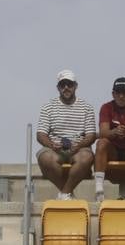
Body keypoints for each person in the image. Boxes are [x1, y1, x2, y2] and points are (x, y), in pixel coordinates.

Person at [36, 68, 98, 200]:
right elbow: (41, 134)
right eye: (62, 85)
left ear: (75, 86)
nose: (66, 88)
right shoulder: (48, 106)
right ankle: (67, 193)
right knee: (45, 158)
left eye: (69, 84)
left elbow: (91, 135)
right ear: (58, 87)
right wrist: (52, 145)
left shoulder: (86, 107)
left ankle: (64, 193)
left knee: (86, 158)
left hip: (78, 147)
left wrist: (80, 145)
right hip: (55, 147)